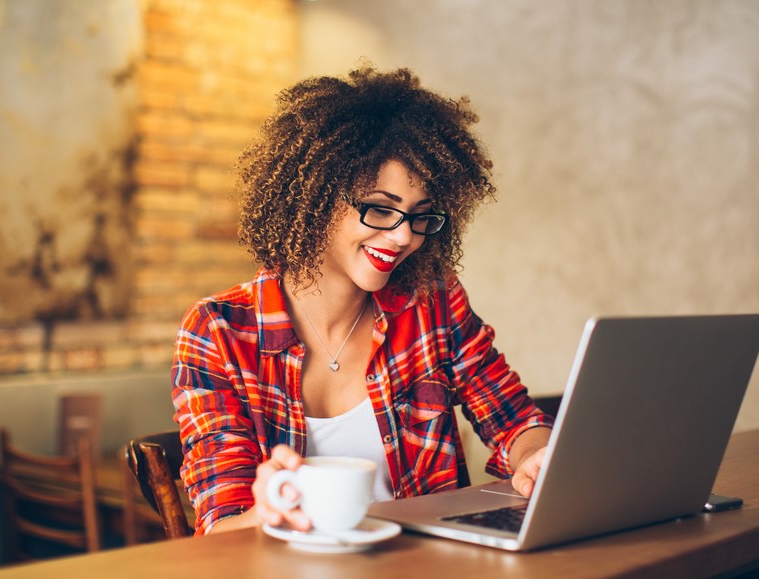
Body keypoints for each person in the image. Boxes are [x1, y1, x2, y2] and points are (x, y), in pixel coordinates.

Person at [171, 65, 554, 536]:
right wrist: (270, 511)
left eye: (420, 216)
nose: (401, 237)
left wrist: (538, 456)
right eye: (380, 207)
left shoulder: (431, 302)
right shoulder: (219, 332)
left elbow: (514, 420)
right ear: (315, 196)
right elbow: (221, 529)